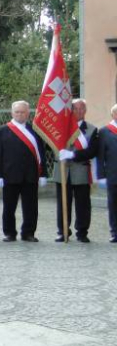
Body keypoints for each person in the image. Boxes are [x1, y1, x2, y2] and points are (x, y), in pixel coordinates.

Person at [0, 100, 48, 242]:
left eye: (23, 112)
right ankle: (10, 233)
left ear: (28, 113)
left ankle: (28, 233)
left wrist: (43, 173)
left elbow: (41, 153)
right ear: (12, 113)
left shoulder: (35, 130)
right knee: (9, 207)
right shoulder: (2, 130)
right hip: (9, 175)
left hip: (31, 175)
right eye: (17, 112)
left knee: (31, 207)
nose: (19, 114)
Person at [55, 99, 99, 242]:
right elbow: (50, 145)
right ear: (70, 110)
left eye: (82, 109)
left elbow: (92, 151)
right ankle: (63, 231)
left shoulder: (92, 129)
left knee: (83, 204)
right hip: (62, 170)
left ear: (85, 111)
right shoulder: (61, 128)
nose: (78, 112)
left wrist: (73, 155)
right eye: (75, 109)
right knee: (63, 203)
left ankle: (82, 232)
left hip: (81, 171)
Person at [97, 104, 117, 243]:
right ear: (113, 115)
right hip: (113, 175)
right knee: (113, 205)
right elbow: (100, 156)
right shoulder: (104, 131)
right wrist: (101, 176)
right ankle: (115, 232)